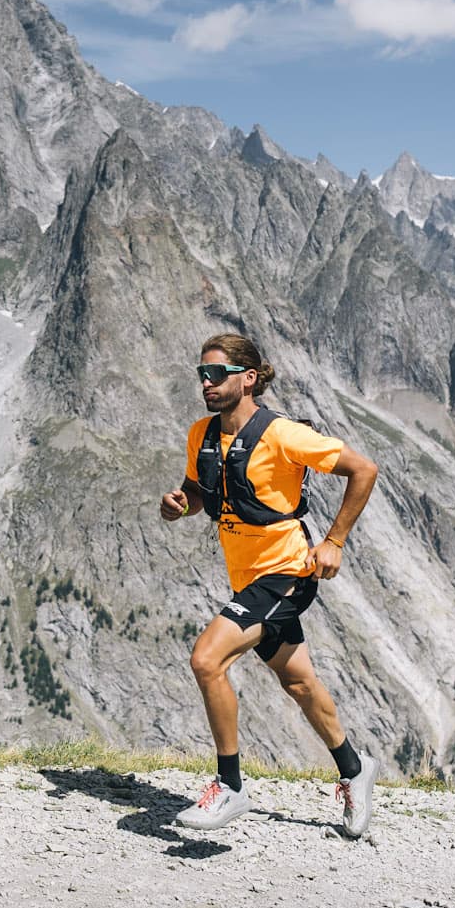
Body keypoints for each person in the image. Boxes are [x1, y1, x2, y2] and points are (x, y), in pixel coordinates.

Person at [158, 333, 382, 837]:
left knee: (207, 659)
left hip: (287, 572)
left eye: (216, 375)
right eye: (201, 375)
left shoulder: (283, 435)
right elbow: (199, 491)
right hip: (246, 579)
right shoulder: (201, 434)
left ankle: (231, 787)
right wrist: (180, 505)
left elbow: (363, 470)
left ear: (249, 378)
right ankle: (354, 768)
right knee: (298, 681)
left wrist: (335, 541)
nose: (206, 384)